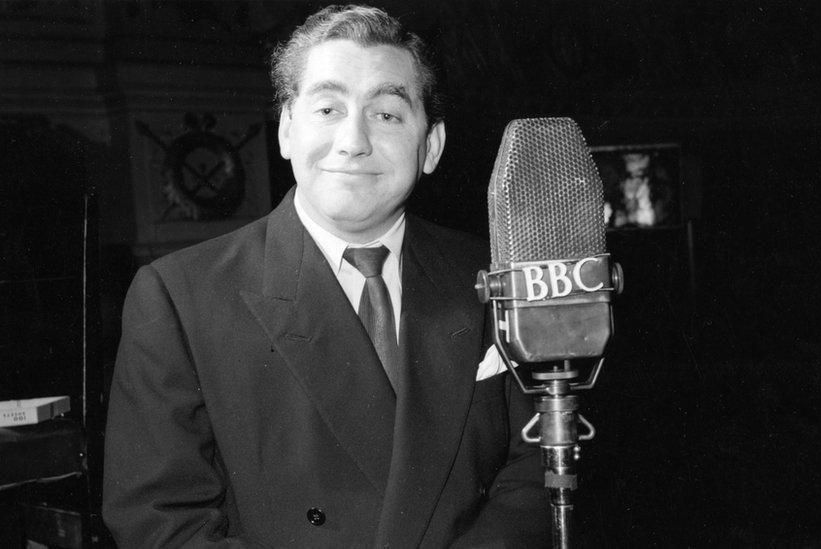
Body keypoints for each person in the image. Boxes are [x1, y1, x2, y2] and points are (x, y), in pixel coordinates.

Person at [102, 5, 548, 547]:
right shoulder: (178, 298)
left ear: (430, 146)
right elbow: (160, 522)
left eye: (386, 114)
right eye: (328, 108)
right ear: (287, 130)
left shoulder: (496, 275)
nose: (353, 140)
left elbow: (536, 470)